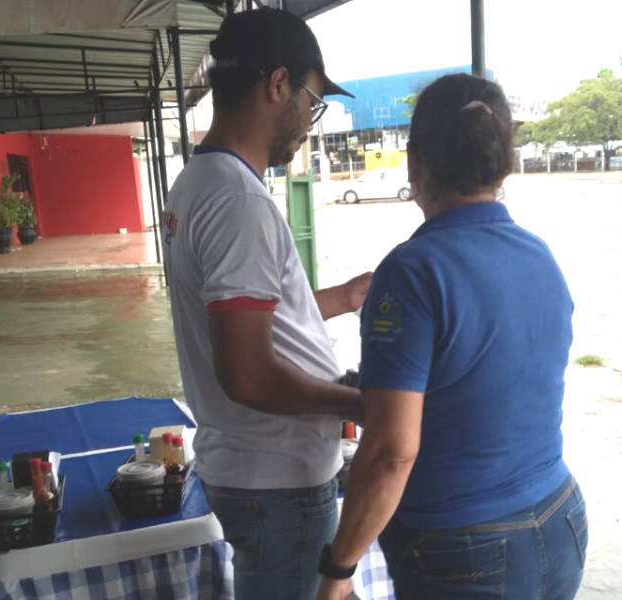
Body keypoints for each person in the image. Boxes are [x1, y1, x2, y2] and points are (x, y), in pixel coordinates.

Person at [316, 73, 588, 600]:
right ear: (503, 162)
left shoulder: (413, 271)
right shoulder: (541, 256)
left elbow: (391, 452)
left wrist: (339, 569)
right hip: (561, 520)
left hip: (463, 548)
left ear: (414, 161)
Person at [160, 8, 370, 600]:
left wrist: (341, 299)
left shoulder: (197, 182)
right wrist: (356, 400)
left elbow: (245, 327)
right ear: (277, 84)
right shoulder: (239, 203)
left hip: (251, 469)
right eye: (313, 98)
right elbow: (247, 374)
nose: (311, 118)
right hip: (278, 478)